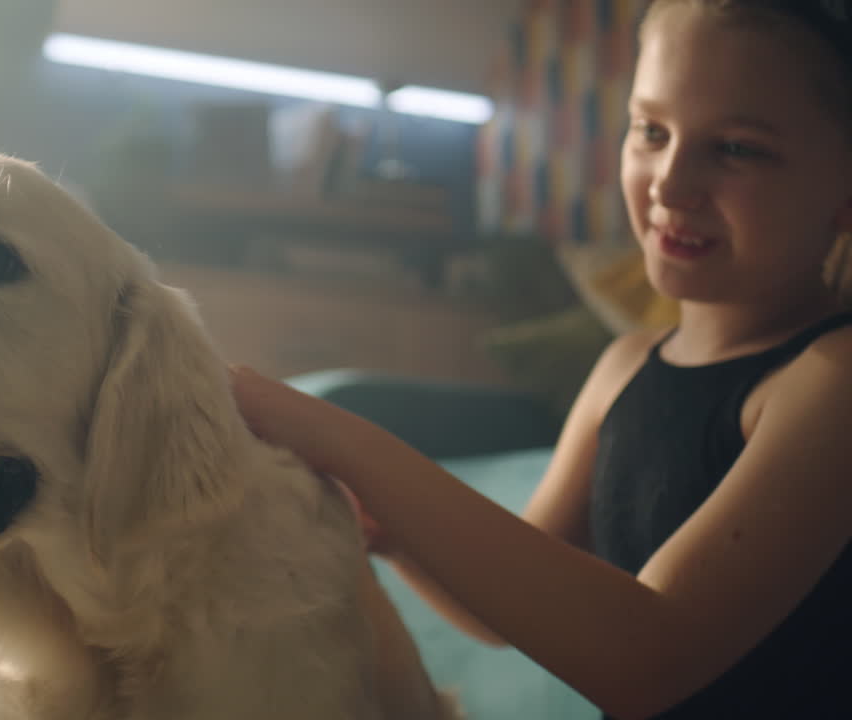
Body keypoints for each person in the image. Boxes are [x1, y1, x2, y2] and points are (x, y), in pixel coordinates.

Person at [230, 1, 852, 717]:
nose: (670, 183)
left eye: (737, 148)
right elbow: (506, 615)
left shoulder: (831, 381)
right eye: (651, 131)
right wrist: (392, 534)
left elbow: (646, 655)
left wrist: (337, 433)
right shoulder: (624, 366)